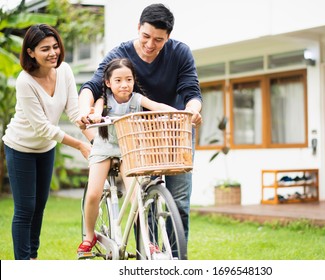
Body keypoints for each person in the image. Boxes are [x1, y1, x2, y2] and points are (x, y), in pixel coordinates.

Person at [78, 3, 202, 242]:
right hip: (136, 136)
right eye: (146, 36)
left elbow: (191, 92)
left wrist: (192, 111)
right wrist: (86, 111)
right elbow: (92, 86)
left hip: (173, 130)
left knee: (178, 203)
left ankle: (176, 262)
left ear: (168, 37)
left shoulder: (180, 53)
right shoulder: (120, 54)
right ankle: (148, 256)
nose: (150, 44)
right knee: (143, 201)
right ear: (138, 28)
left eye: (158, 39)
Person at [2, 24, 91, 260]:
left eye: (55, 47)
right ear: (31, 52)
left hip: (45, 148)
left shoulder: (65, 71)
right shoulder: (25, 81)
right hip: (20, 147)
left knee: (39, 206)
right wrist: (81, 144)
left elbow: (73, 111)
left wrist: (89, 126)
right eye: (45, 49)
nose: (53, 53)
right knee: (25, 209)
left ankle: (32, 257)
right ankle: (23, 264)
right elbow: (42, 127)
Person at [77, 57, 177, 255]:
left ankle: (146, 240)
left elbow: (157, 106)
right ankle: (89, 235)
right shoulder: (103, 100)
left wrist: (179, 112)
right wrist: (95, 116)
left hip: (128, 149)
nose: (124, 84)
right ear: (108, 83)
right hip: (104, 148)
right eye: (118, 80)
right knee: (94, 194)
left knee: (136, 196)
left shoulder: (137, 99)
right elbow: (96, 111)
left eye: (129, 79)